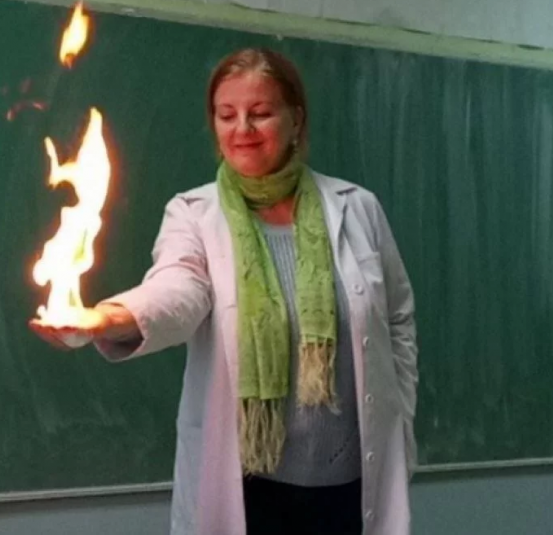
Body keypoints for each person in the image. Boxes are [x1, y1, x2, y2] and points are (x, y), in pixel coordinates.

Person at [32, 48, 417, 535]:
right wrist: (107, 318)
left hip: (351, 489)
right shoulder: (195, 214)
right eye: (226, 115)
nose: (242, 129)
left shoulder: (357, 208)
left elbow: (397, 317)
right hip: (250, 489)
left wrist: (400, 413)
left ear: (296, 119)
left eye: (261, 113)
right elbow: (177, 291)